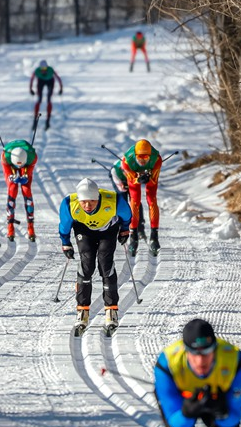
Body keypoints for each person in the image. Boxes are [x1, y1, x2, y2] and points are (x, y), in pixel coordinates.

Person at [58, 178, 131, 334]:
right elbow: (64, 225)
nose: (87, 205)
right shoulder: (69, 204)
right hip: (84, 230)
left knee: (105, 264)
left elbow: (127, 215)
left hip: (108, 230)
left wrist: (124, 230)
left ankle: (111, 311)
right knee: (87, 264)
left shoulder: (114, 200)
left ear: (98, 198)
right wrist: (66, 243)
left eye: (91, 201)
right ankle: (82, 311)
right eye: (84, 202)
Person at [121, 139, 163, 256]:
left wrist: (148, 179)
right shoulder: (127, 161)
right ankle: (133, 236)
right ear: (135, 156)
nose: (143, 161)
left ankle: (154, 236)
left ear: (150, 156)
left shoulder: (157, 160)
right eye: (140, 158)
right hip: (133, 175)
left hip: (151, 174)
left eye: (146, 158)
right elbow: (131, 179)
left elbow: (153, 182)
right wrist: (137, 179)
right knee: (135, 201)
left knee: (152, 200)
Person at [2, 139, 38, 242]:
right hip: (10, 163)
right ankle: (10, 228)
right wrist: (11, 177)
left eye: (20, 165)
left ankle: (31, 228)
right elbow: (8, 175)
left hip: (26, 162)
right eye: (17, 165)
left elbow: (28, 172)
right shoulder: (5, 157)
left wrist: (26, 175)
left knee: (26, 190)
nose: (19, 167)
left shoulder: (32, 157)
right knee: (12, 188)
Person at [109, 159, 145, 238]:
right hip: (120, 182)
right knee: (122, 201)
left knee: (136, 201)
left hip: (132, 181)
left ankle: (140, 227)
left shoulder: (136, 167)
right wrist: (125, 185)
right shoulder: (115, 171)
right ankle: (122, 225)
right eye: (126, 172)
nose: (128, 174)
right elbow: (121, 189)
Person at [29, 60, 63, 131]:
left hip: (50, 81)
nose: (43, 71)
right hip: (41, 81)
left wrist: (61, 88)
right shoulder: (37, 71)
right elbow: (32, 79)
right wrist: (31, 89)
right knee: (39, 100)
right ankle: (35, 121)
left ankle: (48, 121)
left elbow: (58, 78)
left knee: (49, 100)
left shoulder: (50, 70)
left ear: (47, 68)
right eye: (42, 69)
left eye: (45, 69)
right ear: (40, 68)